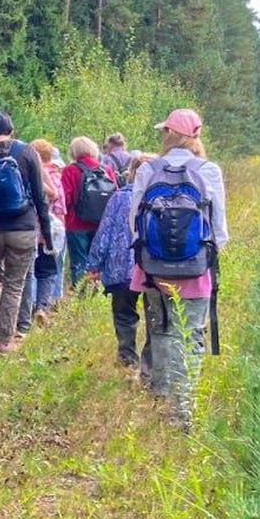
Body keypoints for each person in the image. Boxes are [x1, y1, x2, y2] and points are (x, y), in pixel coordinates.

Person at [129, 109, 228, 433]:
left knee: (161, 333)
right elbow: (219, 230)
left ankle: (162, 397)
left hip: (153, 272)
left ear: (169, 135)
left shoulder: (147, 170)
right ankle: (183, 412)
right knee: (192, 338)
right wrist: (201, 258)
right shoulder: (209, 171)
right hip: (195, 270)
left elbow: (135, 223)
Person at [0, 111, 52, 355]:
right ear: (12, 129)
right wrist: (45, 231)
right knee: (14, 285)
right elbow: (39, 195)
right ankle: (5, 340)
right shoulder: (27, 152)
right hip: (23, 228)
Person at [87, 155, 155, 382]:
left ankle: (127, 357)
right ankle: (148, 364)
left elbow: (104, 232)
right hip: (152, 269)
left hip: (121, 270)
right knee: (155, 315)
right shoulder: (159, 198)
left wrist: (95, 264)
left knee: (124, 313)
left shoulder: (119, 198)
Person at [61, 136, 118, 288]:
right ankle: (98, 294)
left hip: (76, 224)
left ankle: (81, 298)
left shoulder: (69, 171)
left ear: (73, 152)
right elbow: (115, 196)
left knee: (79, 262)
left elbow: (65, 199)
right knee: (98, 262)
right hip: (101, 224)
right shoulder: (106, 170)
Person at [30, 138, 66, 322]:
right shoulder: (55, 177)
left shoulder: (27, 173)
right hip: (50, 233)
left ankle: (29, 307)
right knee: (48, 270)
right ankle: (42, 307)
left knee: (31, 271)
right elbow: (60, 208)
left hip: (29, 230)